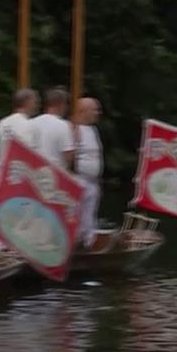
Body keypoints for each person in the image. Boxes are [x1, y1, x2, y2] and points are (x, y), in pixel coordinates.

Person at [0, 88, 39, 251]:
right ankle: (14, 250)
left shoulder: (1, 124)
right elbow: (31, 154)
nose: (36, 105)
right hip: (17, 173)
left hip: (0, 171)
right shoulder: (29, 125)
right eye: (34, 101)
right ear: (27, 103)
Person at [73, 97, 103, 248]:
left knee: (90, 217)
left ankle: (89, 245)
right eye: (94, 109)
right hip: (79, 180)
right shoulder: (73, 129)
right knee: (77, 216)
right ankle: (76, 244)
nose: (98, 113)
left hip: (92, 181)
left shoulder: (93, 130)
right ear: (83, 111)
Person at [33, 87, 75, 171]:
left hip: (34, 172)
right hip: (55, 173)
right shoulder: (64, 125)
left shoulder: (31, 123)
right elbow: (68, 155)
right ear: (60, 104)